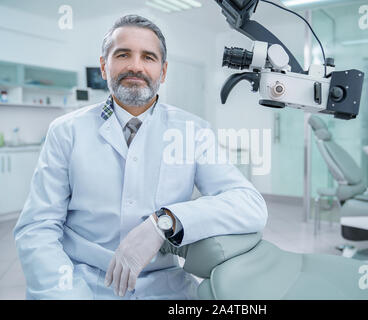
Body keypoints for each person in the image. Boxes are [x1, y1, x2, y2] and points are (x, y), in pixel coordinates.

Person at [13, 14, 268, 300]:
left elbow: (250, 205)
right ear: (103, 66)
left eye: (148, 57)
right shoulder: (66, 131)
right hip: (84, 283)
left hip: (166, 289)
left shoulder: (193, 132)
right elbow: (38, 228)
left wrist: (164, 222)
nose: (136, 66)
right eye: (123, 55)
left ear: (163, 70)